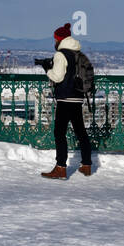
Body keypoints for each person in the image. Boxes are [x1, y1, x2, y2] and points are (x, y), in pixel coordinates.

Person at [35, 23, 93, 179]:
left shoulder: (61, 55)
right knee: (80, 131)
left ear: (59, 39)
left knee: (59, 133)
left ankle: (60, 168)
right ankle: (86, 165)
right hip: (78, 97)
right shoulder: (78, 54)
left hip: (65, 98)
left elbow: (58, 77)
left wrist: (47, 69)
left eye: (55, 39)